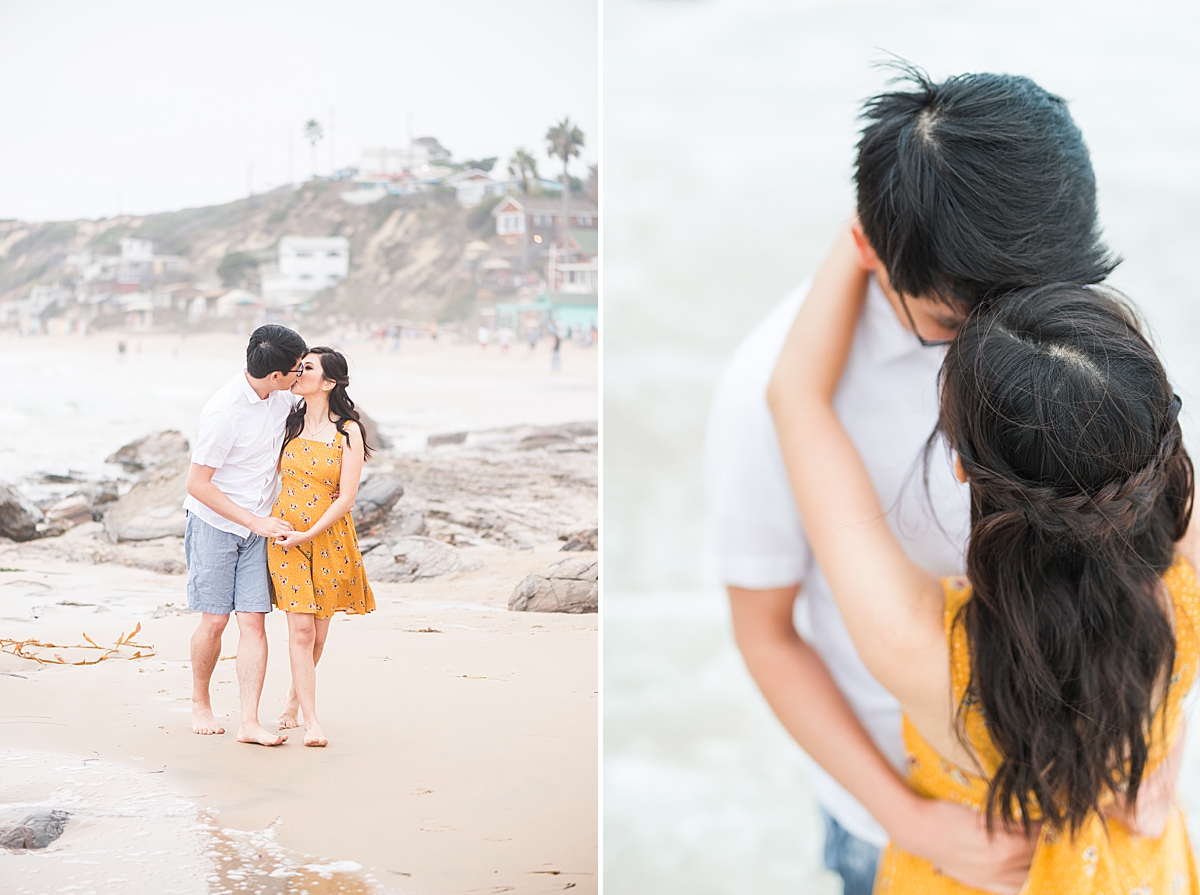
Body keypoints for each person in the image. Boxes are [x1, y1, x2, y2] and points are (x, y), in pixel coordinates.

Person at [704, 68, 1122, 894]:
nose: (997, 351)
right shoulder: (767, 391)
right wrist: (908, 817)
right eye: (949, 328)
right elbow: (767, 632)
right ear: (867, 246)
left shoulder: (1073, 339)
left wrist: (1148, 765)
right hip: (912, 823)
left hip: (1105, 807)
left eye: (1031, 303)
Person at [767, 227, 1198, 892]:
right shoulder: (1185, 596)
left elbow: (795, 396)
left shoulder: (924, 651)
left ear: (962, 470)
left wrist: (872, 224)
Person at [184, 324, 307, 745]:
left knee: (254, 620)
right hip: (216, 525)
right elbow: (197, 484)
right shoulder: (224, 412)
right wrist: (253, 522)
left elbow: (321, 395)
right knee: (216, 621)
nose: (299, 375)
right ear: (275, 375)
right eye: (296, 369)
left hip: (262, 524)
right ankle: (201, 702)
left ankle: (249, 722)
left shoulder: (283, 395)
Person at [268, 346, 376, 748]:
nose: (298, 372)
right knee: (298, 630)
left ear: (328, 382)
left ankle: (294, 700)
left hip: (328, 537)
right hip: (285, 537)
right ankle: (312, 721)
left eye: (307, 368)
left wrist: (309, 533)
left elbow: (346, 498)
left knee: (316, 636)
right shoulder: (287, 423)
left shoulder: (347, 430)